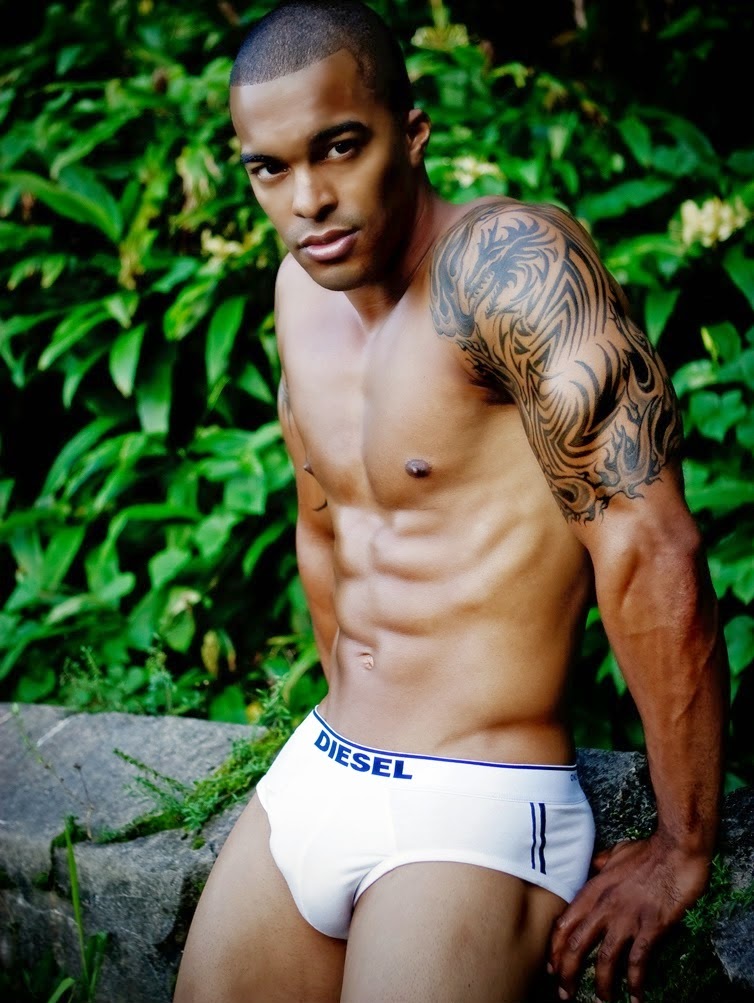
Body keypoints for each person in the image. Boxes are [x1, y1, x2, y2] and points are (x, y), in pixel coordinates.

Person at [173, 2, 728, 1001]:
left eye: (340, 147)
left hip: (475, 799)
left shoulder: (510, 270)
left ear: (413, 133)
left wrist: (683, 844)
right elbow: (322, 526)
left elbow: (651, 551)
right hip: (324, 764)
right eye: (270, 168)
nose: (309, 198)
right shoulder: (299, 293)